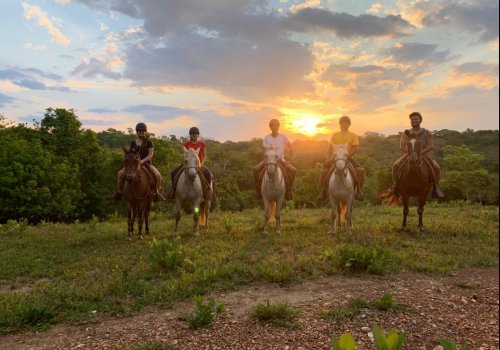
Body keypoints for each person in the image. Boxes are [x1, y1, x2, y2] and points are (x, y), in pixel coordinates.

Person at [389, 112, 444, 198]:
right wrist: (410, 154)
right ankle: (395, 185)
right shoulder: (406, 133)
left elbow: (430, 146)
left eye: (416, 119)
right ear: (410, 122)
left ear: (420, 120)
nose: (414, 120)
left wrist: (419, 153)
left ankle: (436, 187)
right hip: (409, 154)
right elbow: (402, 146)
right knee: (396, 165)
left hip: (423, 154)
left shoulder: (427, 132)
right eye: (412, 119)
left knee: (436, 167)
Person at [112, 122, 165, 202]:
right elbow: (130, 154)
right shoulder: (133, 142)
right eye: (140, 131)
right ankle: (119, 192)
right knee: (120, 173)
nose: (141, 132)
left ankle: (156, 193)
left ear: (145, 132)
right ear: (137, 131)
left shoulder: (149, 142)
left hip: (146, 163)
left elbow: (150, 155)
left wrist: (142, 161)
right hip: (133, 164)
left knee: (158, 175)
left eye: (143, 131)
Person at [318, 115, 365, 201]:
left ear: (349, 124)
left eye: (346, 123)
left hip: (347, 157)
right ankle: (322, 191)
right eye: (342, 123)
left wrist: (347, 156)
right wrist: (329, 159)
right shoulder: (335, 135)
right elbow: (330, 149)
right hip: (335, 158)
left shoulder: (353, 135)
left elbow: (355, 148)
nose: (344, 124)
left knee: (360, 171)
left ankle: (359, 191)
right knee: (324, 172)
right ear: (340, 124)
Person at [252, 118, 296, 201]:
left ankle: (288, 191)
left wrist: (290, 159)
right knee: (255, 169)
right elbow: (264, 149)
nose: (275, 128)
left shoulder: (283, 137)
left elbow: (290, 147)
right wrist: (265, 159)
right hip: (268, 160)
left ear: (279, 127)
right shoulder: (266, 138)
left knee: (293, 170)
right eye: (273, 126)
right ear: (270, 127)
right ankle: (257, 190)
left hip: (280, 160)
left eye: (276, 126)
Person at [167, 126, 213, 199]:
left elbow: (204, 156)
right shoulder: (186, 144)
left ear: (198, 135)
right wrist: (185, 163)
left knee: (208, 174)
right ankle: (173, 190)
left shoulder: (202, 144)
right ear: (190, 135)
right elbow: (184, 156)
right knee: (173, 172)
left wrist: (202, 164)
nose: (194, 135)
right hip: (188, 164)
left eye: (196, 134)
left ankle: (208, 191)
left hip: (198, 164)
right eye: (192, 134)